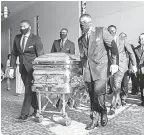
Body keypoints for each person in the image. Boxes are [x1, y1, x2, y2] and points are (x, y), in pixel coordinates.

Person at [78, 14, 119, 130]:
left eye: (84, 22)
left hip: (101, 68)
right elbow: (82, 57)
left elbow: (113, 47)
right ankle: (99, 115)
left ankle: (99, 115)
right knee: (92, 96)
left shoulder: (101, 32)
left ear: (90, 22)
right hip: (88, 71)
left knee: (98, 92)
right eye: (80, 22)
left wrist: (115, 63)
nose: (82, 24)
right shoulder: (80, 40)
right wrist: (81, 70)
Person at [9, 20, 44, 121]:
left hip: (32, 69)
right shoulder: (17, 38)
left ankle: (24, 114)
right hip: (22, 69)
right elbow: (14, 53)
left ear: (29, 27)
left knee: (28, 91)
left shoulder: (36, 39)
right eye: (20, 27)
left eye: (24, 27)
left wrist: (40, 71)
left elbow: (40, 55)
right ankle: (37, 109)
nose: (22, 28)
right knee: (30, 91)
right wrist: (11, 67)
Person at [107, 28, 137, 115]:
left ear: (115, 31)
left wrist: (134, 65)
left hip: (121, 67)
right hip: (111, 67)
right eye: (109, 31)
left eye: (112, 31)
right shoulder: (107, 41)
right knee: (113, 87)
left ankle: (112, 108)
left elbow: (131, 53)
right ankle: (118, 102)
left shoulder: (122, 40)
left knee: (117, 86)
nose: (111, 32)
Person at [51, 28, 75, 108]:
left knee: (66, 84)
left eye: (64, 33)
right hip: (57, 67)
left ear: (67, 34)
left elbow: (72, 56)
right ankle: (58, 99)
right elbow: (52, 54)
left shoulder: (71, 44)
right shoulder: (55, 42)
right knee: (58, 84)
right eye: (61, 33)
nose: (62, 34)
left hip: (66, 68)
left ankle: (67, 99)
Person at [133, 33, 144, 106]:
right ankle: (143, 100)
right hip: (141, 70)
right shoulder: (136, 49)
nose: (141, 40)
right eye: (140, 38)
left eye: (143, 38)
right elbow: (134, 59)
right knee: (142, 85)